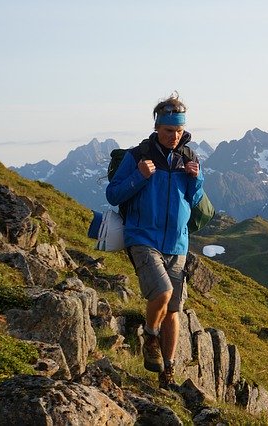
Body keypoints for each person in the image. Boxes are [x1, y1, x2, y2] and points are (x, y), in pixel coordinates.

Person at [106, 92, 204, 388]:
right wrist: (138, 176)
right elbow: (113, 194)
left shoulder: (189, 157)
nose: (174, 136)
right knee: (160, 292)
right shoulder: (139, 156)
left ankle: (168, 371)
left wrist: (195, 180)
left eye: (178, 131)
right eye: (168, 131)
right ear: (157, 127)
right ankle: (149, 336)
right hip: (143, 238)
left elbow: (194, 200)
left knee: (173, 312)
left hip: (178, 243)